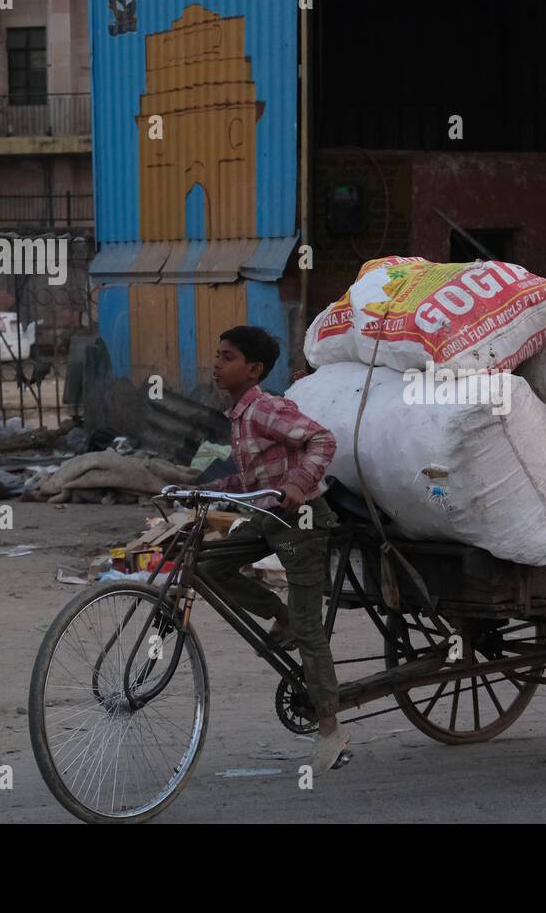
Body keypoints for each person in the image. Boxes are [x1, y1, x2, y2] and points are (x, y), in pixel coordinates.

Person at [196, 326, 348, 773]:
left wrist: (299, 486)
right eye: (218, 355)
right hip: (269, 517)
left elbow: (322, 440)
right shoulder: (239, 416)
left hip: (301, 521)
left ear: (254, 369)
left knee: (309, 626)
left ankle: (330, 729)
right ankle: (280, 619)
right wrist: (201, 489)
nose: (217, 365)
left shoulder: (265, 408)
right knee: (205, 567)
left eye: (227, 357)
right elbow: (250, 483)